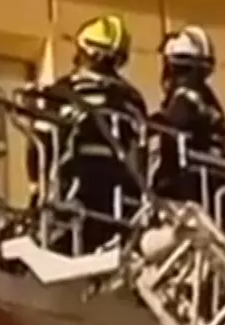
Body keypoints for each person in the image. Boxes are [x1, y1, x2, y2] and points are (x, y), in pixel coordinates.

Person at [26, 15, 150, 255]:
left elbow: (39, 144)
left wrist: (36, 192)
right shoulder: (133, 100)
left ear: (84, 52)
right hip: (121, 207)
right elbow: (141, 157)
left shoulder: (63, 92)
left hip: (76, 195)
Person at [148, 26, 225, 240]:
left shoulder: (184, 100)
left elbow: (173, 132)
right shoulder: (209, 102)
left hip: (193, 193)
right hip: (220, 199)